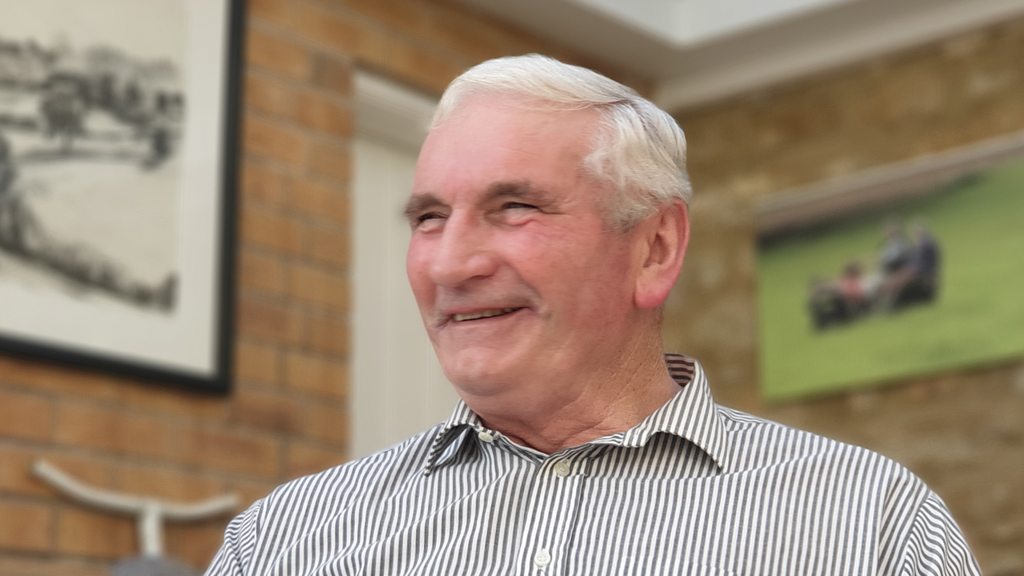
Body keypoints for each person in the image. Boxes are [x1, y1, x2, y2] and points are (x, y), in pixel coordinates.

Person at [206, 55, 979, 575]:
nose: (449, 264)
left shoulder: (872, 524)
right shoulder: (285, 541)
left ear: (655, 248)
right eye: (430, 218)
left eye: (514, 207)